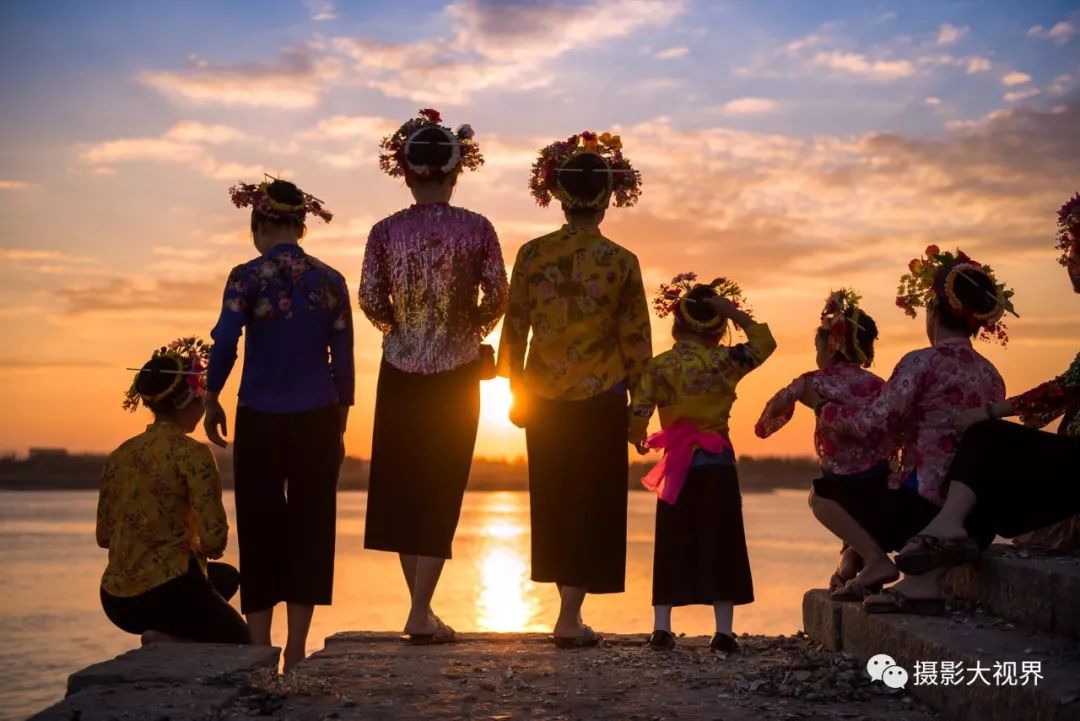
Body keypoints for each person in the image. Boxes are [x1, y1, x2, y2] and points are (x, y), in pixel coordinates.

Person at [359, 108, 508, 644]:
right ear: (455, 171)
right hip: (457, 371)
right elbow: (498, 296)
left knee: (401, 486)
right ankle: (421, 611)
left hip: (399, 368)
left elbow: (371, 300)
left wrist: (401, 329)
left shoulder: (383, 231)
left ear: (406, 172)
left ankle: (418, 608)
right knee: (441, 485)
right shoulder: (479, 227)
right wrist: (468, 327)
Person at [498, 131, 651, 647]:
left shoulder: (533, 254)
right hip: (602, 396)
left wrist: (515, 393)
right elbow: (636, 342)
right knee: (593, 503)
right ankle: (569, 615)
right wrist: (640, 412)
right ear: (607, 198)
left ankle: (564, 615)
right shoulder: (622, 261)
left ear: (560, 197)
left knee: (555, 501)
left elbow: (514, 327)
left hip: (542, 397)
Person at [801, 246, 1015, 614]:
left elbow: (871, 423)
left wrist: (821, 406)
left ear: (933, 311)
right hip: (977, 521)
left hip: (922, 515)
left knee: (824, 493)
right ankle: (861, 562)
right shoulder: (992, 375)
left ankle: (874, 561)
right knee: (881, 482)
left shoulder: (922, 363)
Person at [889, 192, 1080, 581]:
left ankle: (939, 534)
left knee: (986, 436)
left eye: (1073, 252)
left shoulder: (920, 362)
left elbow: (1068, 386)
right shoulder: (988, 370)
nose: (1069, 263)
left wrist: (988, 412)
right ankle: (950, 531)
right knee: (987, 443)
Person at [204, 177, 352, 672]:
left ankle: (259, 646)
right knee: (312, 526)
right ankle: (297, 646)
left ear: (262, 223)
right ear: (301, 223)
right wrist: (341, 420)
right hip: (317, 415)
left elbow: (225, 341)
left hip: (261, 415)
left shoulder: (246, 277)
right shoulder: (330, 280)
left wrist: (211, 395)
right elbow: (344, 358)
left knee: (260, 526)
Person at [630, 275, 776, 652]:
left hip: (677, 464)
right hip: (717, 462)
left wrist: (638, 437)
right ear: (717, 327)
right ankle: (723, 632)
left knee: (672, 542)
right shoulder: (727, 360)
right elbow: (765, 343)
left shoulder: (660, 365)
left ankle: (662, 627)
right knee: (721, 542)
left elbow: (639, 410)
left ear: (677, 322)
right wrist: (734, 312)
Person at [98, 338, 249, 645]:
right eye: (201, 396)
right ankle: (170, 638)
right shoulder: (191, 454)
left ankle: (165, 633)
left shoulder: (119, 455)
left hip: (116, 601)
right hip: (171, 592)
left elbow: (104, 536)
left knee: (227, 577)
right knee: (242, 644)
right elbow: (214, 540)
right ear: (186, 402)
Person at [755, 289, 892, 598]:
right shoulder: (878, 384)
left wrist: (768, 424)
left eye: (817, 346)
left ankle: (869, 560)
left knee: (819, 497)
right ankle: (849, 566)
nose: (816, 353)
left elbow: (775, 407)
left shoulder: (814, 380)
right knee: (859, 512)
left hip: (842, 482)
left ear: (830, 346)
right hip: (880, 477)